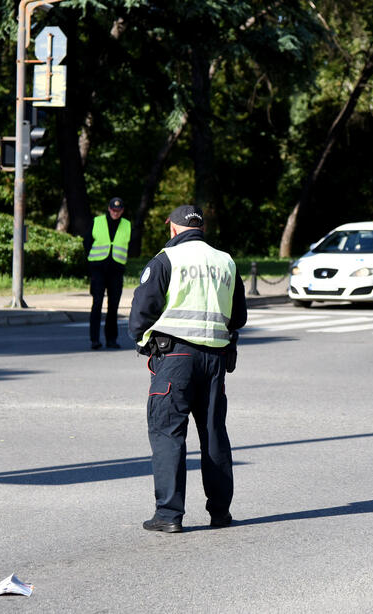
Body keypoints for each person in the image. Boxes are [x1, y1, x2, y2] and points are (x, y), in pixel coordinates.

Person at [128, 204, 247, 533]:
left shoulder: (167, 259)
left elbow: (142, 311)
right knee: (213, 434)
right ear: (201, 229)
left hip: (175, 358)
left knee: (168, 433)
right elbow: (238, 318)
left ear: (174, 228)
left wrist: (140, 339)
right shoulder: (226, 261)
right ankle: (220, 512)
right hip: (215, 360)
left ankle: (168, 515)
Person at [84, 197, 130, 350]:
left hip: (116, 270)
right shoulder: (97, 221)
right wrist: (90, 264)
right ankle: (95, 340)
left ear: (122, 211)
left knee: (113, 306)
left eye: (118, 211)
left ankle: (111, 339)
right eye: (113, 210)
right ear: (109, 209)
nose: (115, 213)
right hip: (98, 269)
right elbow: (87, 242)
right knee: (97, 303)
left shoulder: (127, 225)